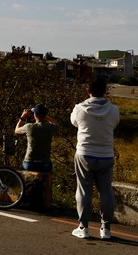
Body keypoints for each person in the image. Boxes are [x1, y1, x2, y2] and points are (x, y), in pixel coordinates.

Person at [70, 78, 119, 240]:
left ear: (88, 91)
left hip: (85, 153)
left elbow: (74, 123)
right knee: (106, 191)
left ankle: (83, 227)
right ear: (105, 91)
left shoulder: (79, 108)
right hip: (106, 155)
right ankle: (105, 229)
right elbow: (115, 124)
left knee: (84, 191)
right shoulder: (113, 110)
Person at [14, 103, 58, 173]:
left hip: (30, 162)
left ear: (35, 115)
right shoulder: (50, 128)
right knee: (47, 180)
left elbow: (16, 130)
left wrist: (23, 117)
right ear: (45, 115)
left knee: (28, 181)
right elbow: (55, 123)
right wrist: (44, 116)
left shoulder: (29, 127)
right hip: (45, 163)